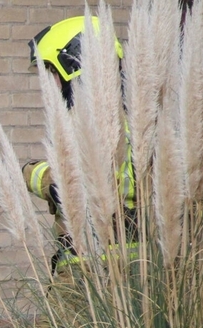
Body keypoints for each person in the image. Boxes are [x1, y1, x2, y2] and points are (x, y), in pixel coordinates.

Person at [22, 15, 136, 272]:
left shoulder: (94, 122)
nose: (49, 82)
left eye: (51, 71)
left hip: (91, 268)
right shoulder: (131, 118)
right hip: (135, 266)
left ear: (72, 65)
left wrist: (30, 171)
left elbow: (69, 180)